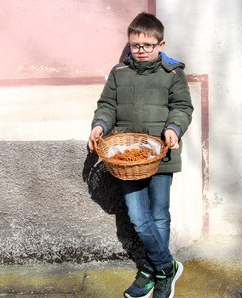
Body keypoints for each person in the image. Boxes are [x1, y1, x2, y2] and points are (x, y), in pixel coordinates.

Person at [88, 12, 193, 298]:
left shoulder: (172, 73)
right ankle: (165, 266)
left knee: (159, 215)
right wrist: (99, 126)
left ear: (161, 44)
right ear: (129, 44)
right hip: (128, 159)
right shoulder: (119, 73)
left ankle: (150, 271)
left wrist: (173, 129)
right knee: (137, 216)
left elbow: (182, 107)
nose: (141, 51)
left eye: (148, 45)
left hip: (161, 155)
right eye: (136, 45)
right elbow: (107, 105)